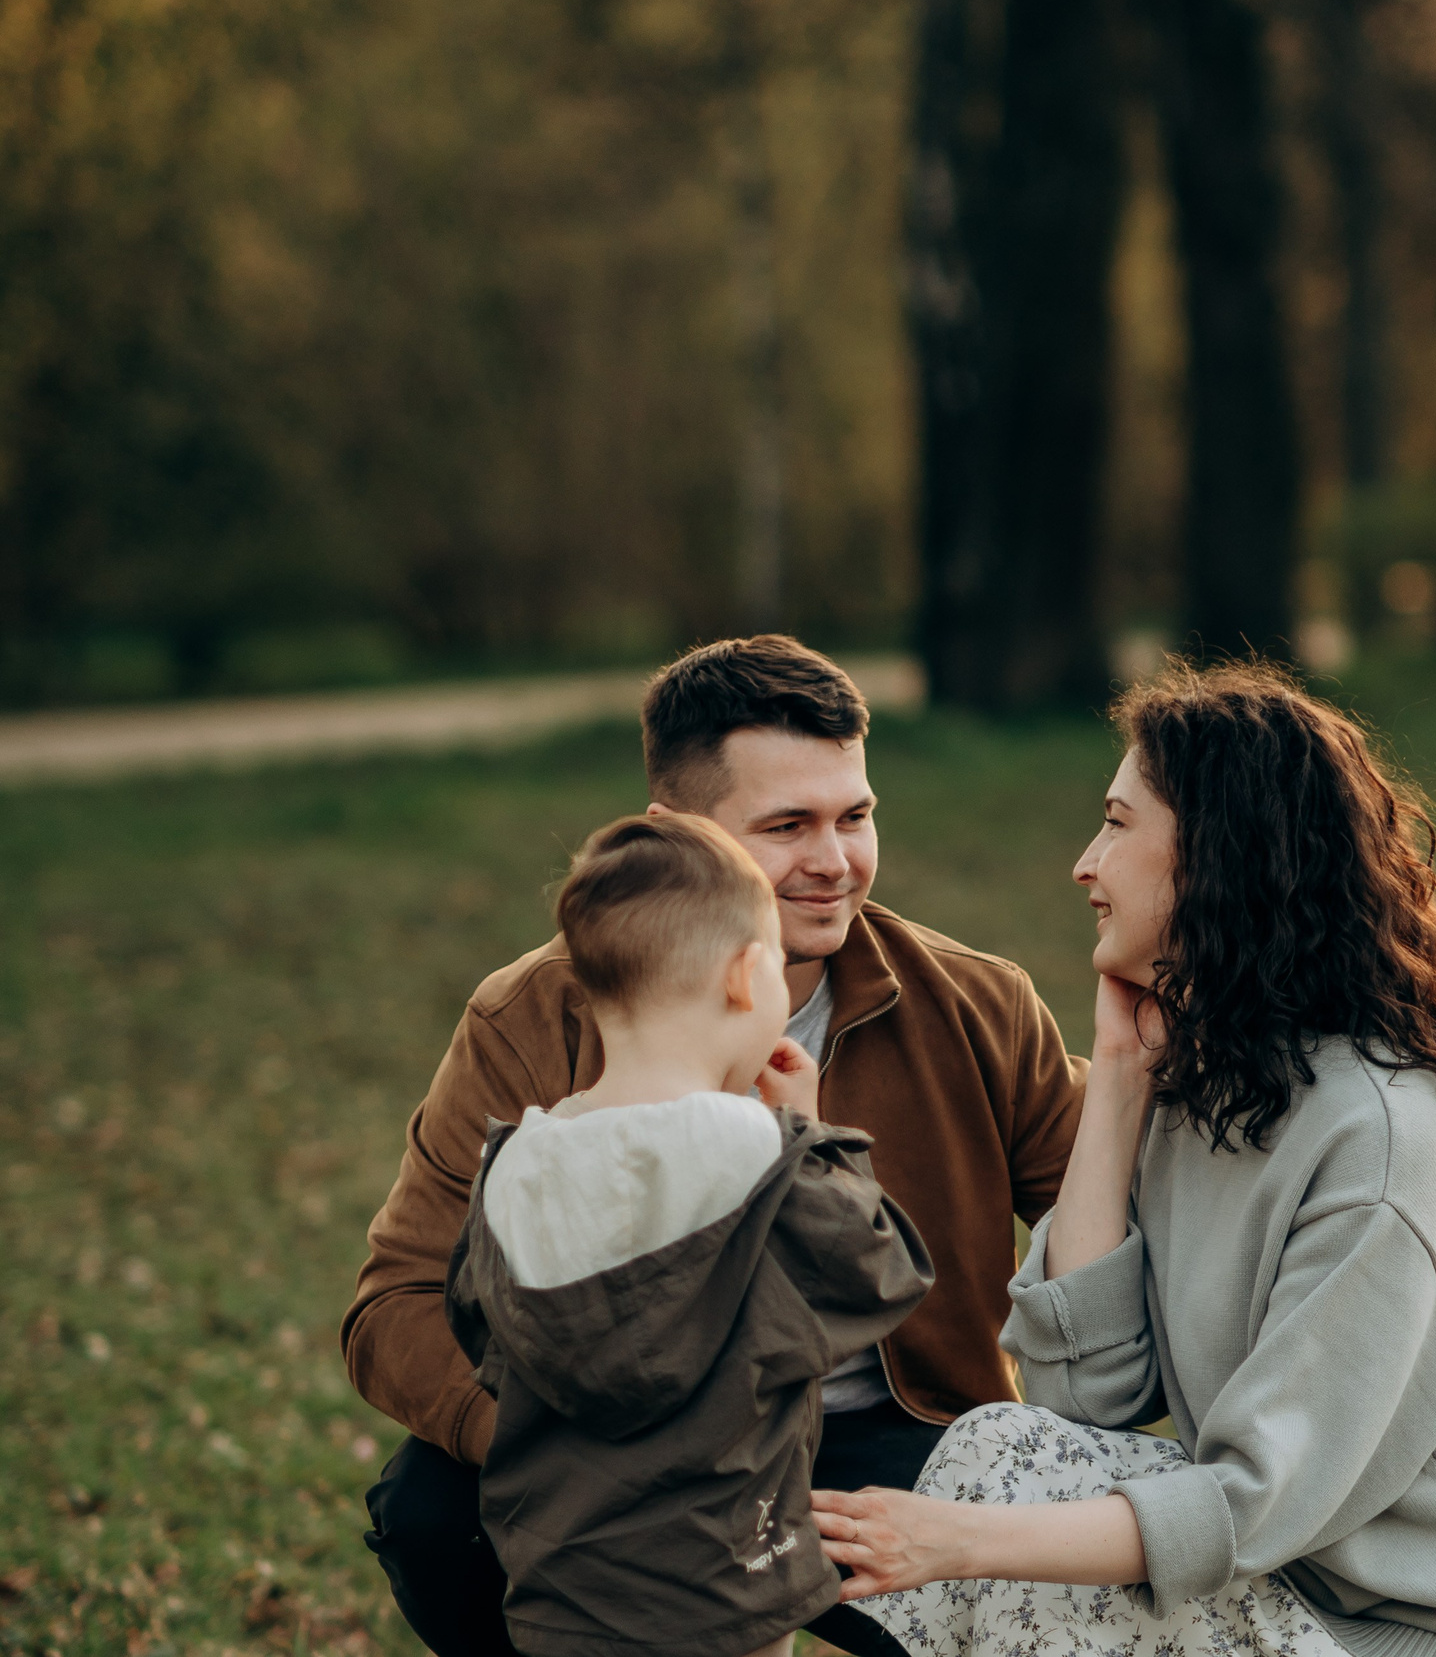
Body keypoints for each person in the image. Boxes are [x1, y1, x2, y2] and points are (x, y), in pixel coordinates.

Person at [810, 663, 1436, 1657]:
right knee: (999, 1447)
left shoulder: (1386, 1129)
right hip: (1324, 1600)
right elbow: (1080, 1397)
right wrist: (1115, 1071)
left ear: (1212, 852)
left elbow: (1254, 1502)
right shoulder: (1217, 1085)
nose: (1082, 862)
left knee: (1007, 1523)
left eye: (1115, 822)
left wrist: (959, 1539)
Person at [344, 635, 1085, 1657]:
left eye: (855, 814)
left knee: (1045, 1552)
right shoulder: (528, 1018)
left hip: (887, 1434)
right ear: (676, 837)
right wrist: (557, 1440)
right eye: (787, 825)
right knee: (431, 1509)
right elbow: (397, 1305)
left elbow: (1111, 1218)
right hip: (606, 1446)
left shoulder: (976, 1001)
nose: (834, 861)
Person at [447, 812, 934, 1657]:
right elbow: (876, 1272)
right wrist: (811, 1137)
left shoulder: (516, 1158)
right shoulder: (756, 1149)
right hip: (731, 1566)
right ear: (749, 975)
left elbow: (478, 1327)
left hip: (564, 1582)